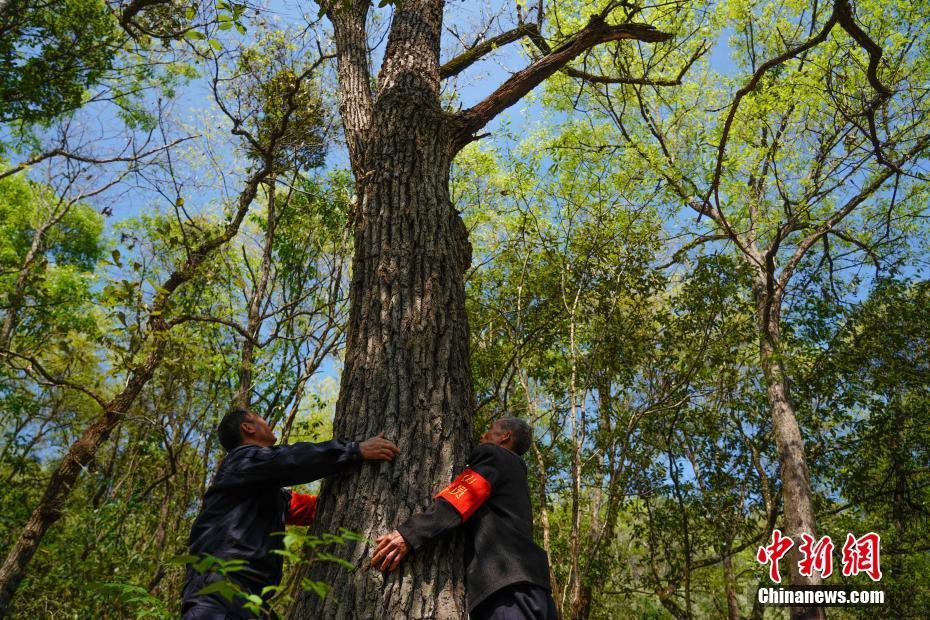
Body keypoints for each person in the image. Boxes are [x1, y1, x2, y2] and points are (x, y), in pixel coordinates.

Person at [181, 407, 400, 619]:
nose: (267, 422)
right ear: (248, 428)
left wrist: (343, 506)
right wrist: (353, 450)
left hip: (246, 599)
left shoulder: (255, 483)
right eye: (260, 417)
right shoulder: (242, 460)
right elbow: (290, 460)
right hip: (218, 597)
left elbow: (296, 506)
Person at [371, 417, 557, 619]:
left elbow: (461, 499)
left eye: (489, 429)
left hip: (508, 592)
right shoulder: (516, 475)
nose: (482, 435)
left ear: (505, 436)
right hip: (536, 591)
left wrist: (409, 534)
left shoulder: (494, 455)